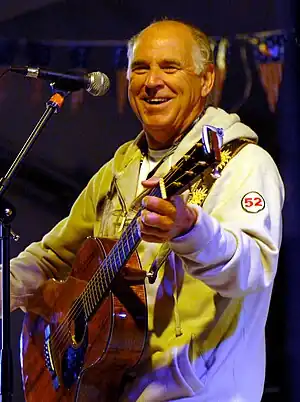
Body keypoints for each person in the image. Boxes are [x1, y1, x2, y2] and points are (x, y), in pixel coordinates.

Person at [5, 19, 284, 401]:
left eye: (170, 67)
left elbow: (252, 270)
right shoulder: (119, 170)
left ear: (205, 81)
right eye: (140, 68)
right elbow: (52, 256)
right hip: (112, 387)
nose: (152, 81)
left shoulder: (243, 164)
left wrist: (191, 231)